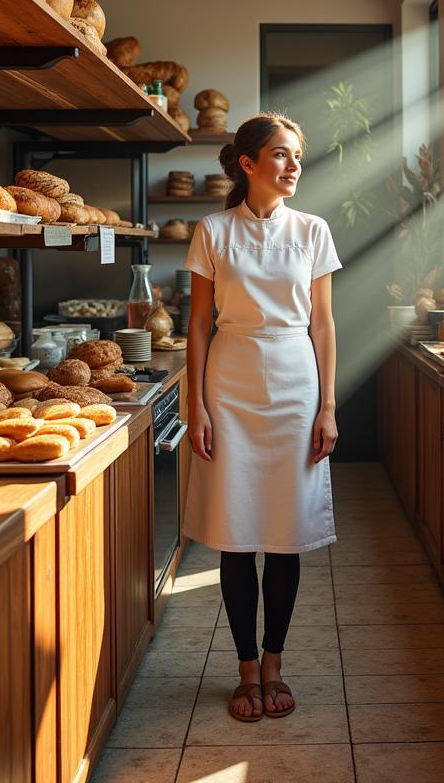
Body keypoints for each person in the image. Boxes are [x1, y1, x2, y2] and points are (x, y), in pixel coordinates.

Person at [183, 111, 342, 723]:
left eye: (297, 154)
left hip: (298, 385)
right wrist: (196, 402)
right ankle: (245, 672)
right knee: (235, 533)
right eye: (281, 154)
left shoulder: (312, 230)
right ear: (247, 164)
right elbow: (199, 324)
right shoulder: (212, 231)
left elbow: (323, 324)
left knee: (285, 536)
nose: (294, 164)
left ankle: (274, 666)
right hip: (230, 384)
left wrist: (327, 405)